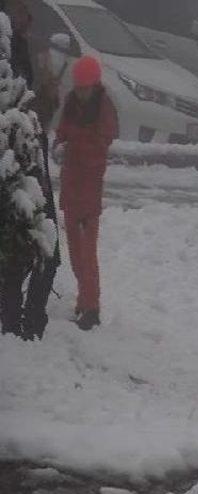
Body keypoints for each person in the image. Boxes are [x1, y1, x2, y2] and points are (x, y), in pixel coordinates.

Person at [0, 0, 62, 340]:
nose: (29, 17)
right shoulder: (11, 54)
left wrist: (48, 95)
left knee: (46, 251)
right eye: (22, 9)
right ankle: (16, 324)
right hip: (18, 163)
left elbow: (43, 107)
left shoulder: (30, 49)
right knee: (20, 253)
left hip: (33, 157)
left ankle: (29, 323)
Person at [54, 56, 118, 331]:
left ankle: (92, 307)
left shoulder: (103, 109)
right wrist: (59, 143)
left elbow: (99, 147)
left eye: (85, 88)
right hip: (71, 190)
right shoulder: (71, 103)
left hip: (88, 195)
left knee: (87, 254)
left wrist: (70, 145)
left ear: (95, 85)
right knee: (76, 255)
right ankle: (83, 301)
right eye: (78, 88)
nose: (80, 93)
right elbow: (63, 131)